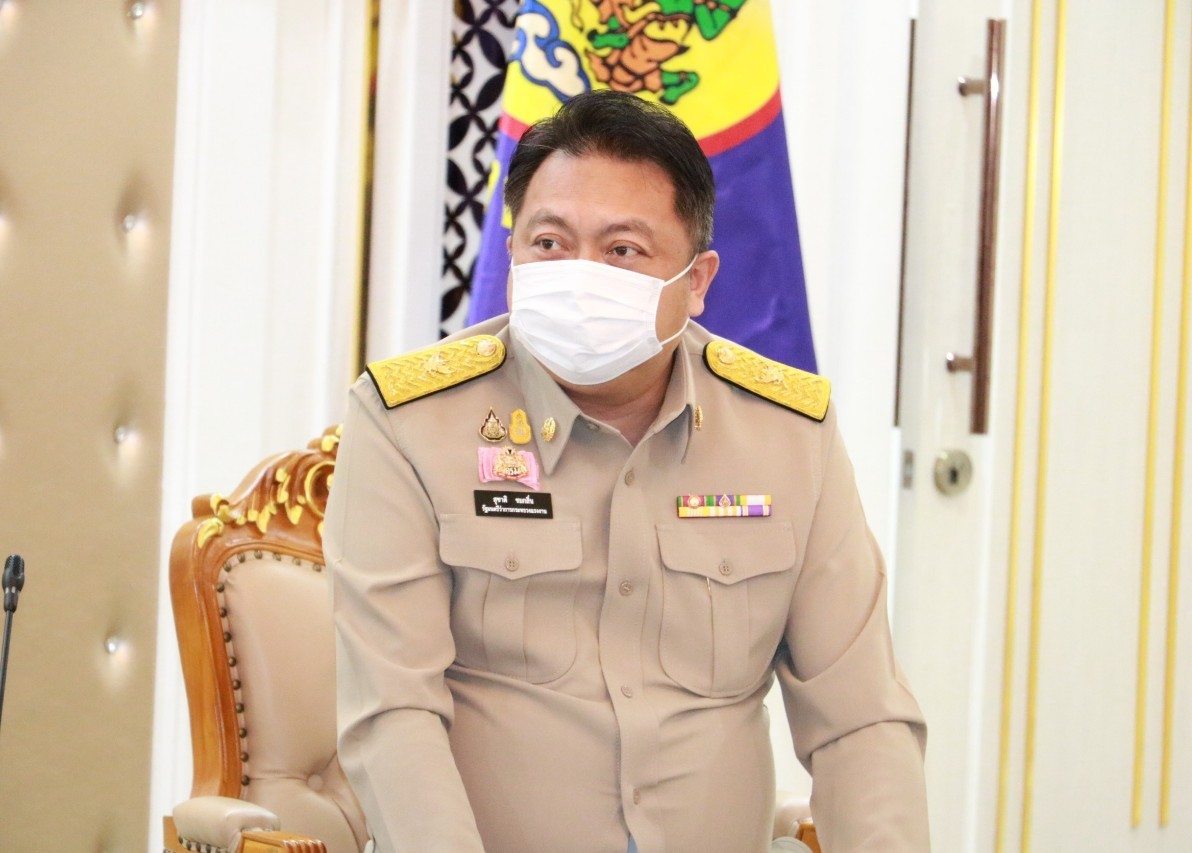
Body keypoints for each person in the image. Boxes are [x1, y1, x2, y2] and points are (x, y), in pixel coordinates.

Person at [325, 89, 928, 852]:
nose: (579, 276)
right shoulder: (410, 423)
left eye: (622, 251)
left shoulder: (788, 435)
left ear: (697, 281)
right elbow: (393, 711)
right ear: (511, 258)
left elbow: (861, 719)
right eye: (549, 242)